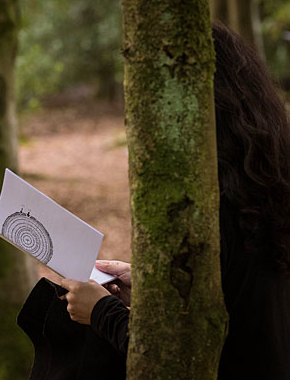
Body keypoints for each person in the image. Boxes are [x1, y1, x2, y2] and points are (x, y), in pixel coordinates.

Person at [59, 22, 290, 379]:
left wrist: (101, 312)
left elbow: (174, 359)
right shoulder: (268, 187)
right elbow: (235, 301)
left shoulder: (202, 209)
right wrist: (157, 288)